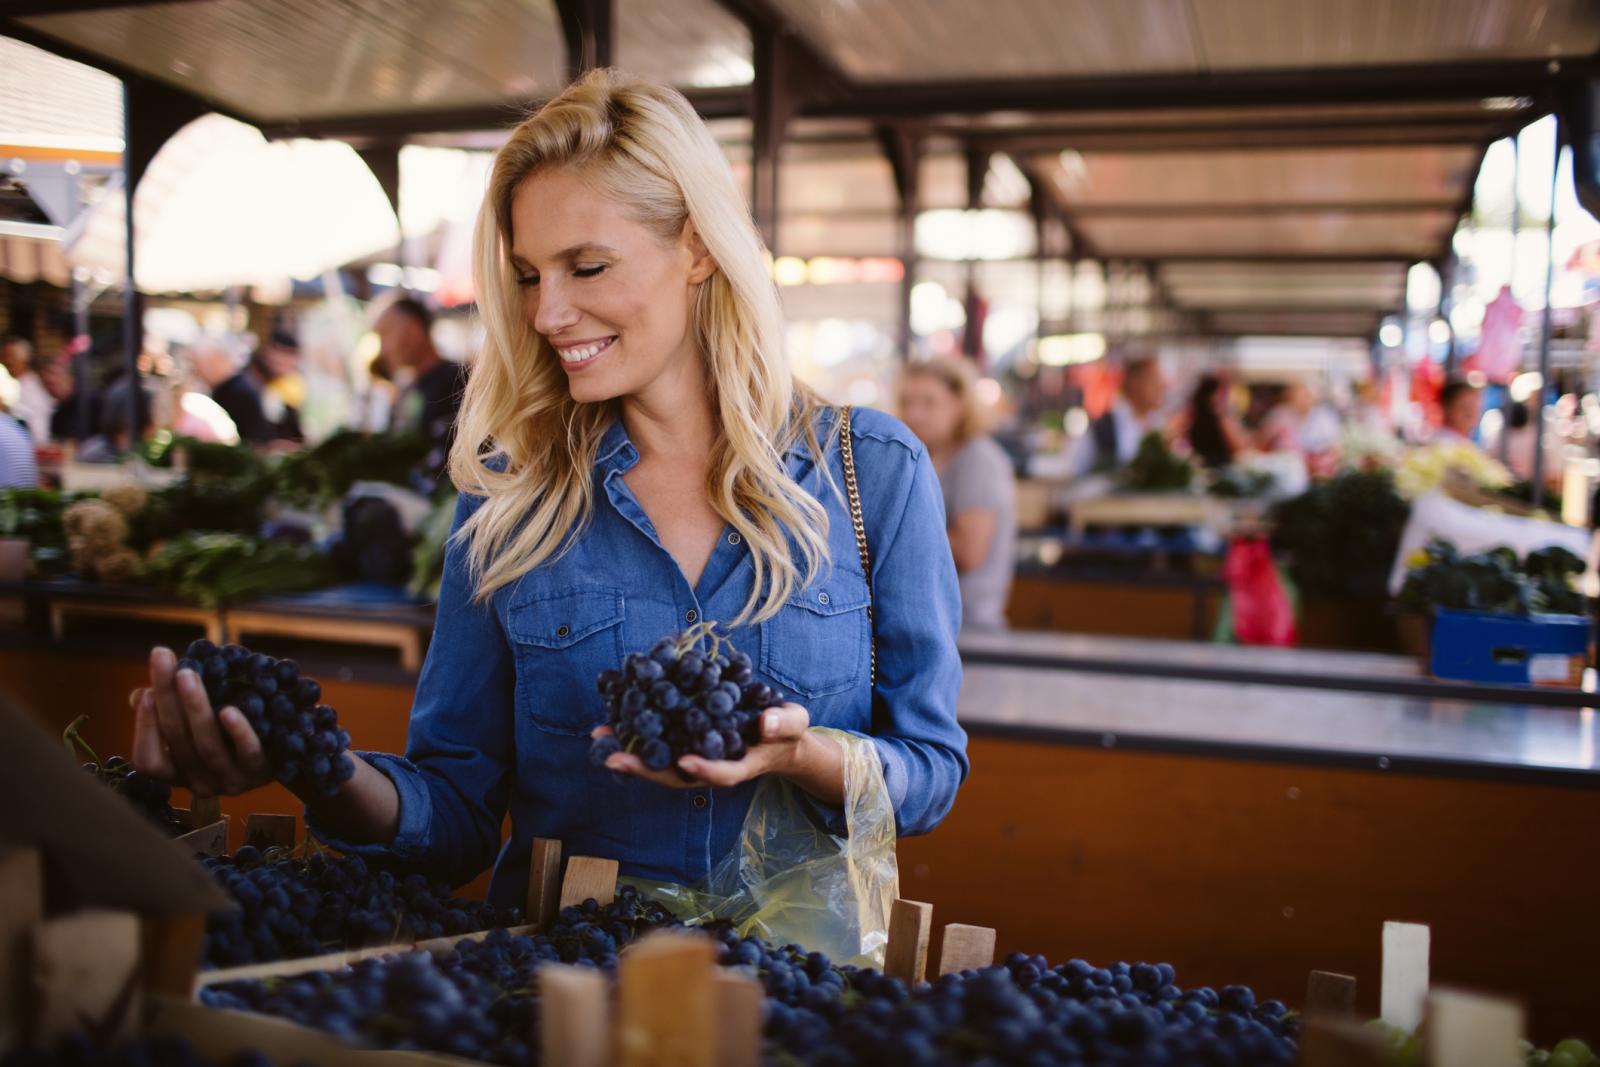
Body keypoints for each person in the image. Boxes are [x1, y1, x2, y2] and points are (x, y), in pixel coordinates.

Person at [127, 69, 968, 906]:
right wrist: (316, 765)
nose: (546, 313)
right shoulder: (511, 493)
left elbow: (930, 773)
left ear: (698, 248)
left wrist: (805, 756)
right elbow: (453, 813)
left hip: (795, 978)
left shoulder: (871, 471)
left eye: (587, 267)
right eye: (530, 275)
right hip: (560, 972)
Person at [898, 358, 1017, 632]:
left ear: (959, 404)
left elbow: (968, 552)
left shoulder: (978, 459)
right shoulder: (926, 458)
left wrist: (890, 533)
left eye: (929, 402)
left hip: (968, 628)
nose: (914, 414)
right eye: (907, 402)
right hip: (933, 624)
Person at [374, 296, 468, 475]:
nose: (383, 350)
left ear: (414, 330)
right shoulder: (405, 390)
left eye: (385, 334)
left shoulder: (459, 381)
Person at [1067, 354, 1167, 477]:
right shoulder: (1104, 427)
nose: (1161, 388)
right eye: (1154, 382)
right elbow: (1075, 471)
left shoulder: (1159, 425)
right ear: (1134, 383)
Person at [208, 328, 303, 446]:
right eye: (283, 352)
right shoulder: (243, 387)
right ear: (267, 351)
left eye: (292, 355)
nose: (287, 361)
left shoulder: (282, 389)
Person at [1185, 373, 1248, 469]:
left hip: (1202, 467)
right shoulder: (1221, 418)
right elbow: (1237, 448)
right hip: (1221, 468)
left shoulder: (1192, 416)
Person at [2, 337, 53, 444]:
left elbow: (21, 418)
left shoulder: (31, 386)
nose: (6, 361)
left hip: (32, 445)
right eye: (3, 356)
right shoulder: (16, 383)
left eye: (10, 356)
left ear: (25, 360)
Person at [1437, 379, 1484, 447]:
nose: (1470, 412)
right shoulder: (1442, 444)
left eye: (1474, 407)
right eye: (1464, 406)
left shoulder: (1466, 444)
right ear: (1447, 407)